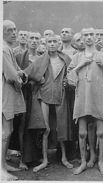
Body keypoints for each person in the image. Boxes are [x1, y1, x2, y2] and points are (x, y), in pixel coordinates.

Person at [24, 34, 73, 172]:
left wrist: (67, 81)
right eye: (49, 42)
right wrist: (38, 79)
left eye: (54, 41)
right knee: (46, 129)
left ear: (59, 43)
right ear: (46, 44)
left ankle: (64, 158)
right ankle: (45, 160)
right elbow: (27, 73)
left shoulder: (65, 59)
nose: (52, 44)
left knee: (60, 127)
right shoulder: (41, 60)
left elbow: (73, 73)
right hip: (44, 95)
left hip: (60, 95)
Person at [67, 28, 103, 175]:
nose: (89, 37)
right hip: (82, 98)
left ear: (95, 37)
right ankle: (84, 162)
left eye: (92, 34)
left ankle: (100, 162)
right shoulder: (77, 57)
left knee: (100, 131)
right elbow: (70, 79)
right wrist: (81, 64)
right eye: (86, 35)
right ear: (82, 38)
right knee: (82, 133)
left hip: (98, 96)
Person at [2, 20, 27, 181]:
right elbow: (12, 76)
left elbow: (18, 71)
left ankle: (3, 163)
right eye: (9, 30)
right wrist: (20, 78)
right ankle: (0, 170)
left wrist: (20, 75)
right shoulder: (3, 49)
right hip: (5, 93)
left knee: (8, 130)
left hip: (9, 93)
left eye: (15, 29)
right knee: (5, 132)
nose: (14, 33)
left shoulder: (8, 49)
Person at [15, 32, 42, 170]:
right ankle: (23, 159)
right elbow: (17, 75)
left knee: (36, 126)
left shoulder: (42, 58)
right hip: (23, 94)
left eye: (37, 38)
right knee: (22, 125)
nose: (34, 41)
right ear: (27, 40)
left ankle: (35, 156)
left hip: (37, 94)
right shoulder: (20, 57)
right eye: (31, 38)